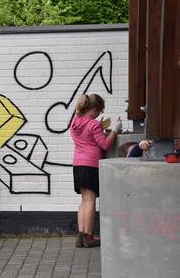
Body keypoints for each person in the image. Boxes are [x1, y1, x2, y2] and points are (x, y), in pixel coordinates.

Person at [70, 94, 122, 248]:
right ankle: (89, 238)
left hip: (78, 164)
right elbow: (105, 145)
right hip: (91, 164)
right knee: (90, 201)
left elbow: (86, 138)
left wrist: (100, 126)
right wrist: (115, 130)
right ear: (93, 109)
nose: (99, 114)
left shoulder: (74, 122)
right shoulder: (94, 125)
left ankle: (81, 237)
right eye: (99, 111)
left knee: (84, 201)